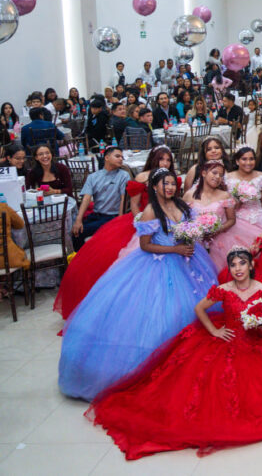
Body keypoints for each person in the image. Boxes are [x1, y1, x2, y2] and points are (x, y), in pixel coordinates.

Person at [88, 246, 262, 459]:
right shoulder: (224, 289)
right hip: (226, 341)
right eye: (233, 265)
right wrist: (214, 331)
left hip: (254, 342)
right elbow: (200, 308)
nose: (238, 269)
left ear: (251, 265)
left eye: (242, 263)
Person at [58, 169, 218, 401]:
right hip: (159, 262)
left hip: (189, 261)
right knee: (163, 314)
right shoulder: (151, 211)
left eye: (172, 184)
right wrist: (175, 249)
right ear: (154, 187)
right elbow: (145, 245)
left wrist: (192, 238)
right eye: (165, 184)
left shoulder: (182, 206)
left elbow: (191, 229)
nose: (170, 188)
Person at [54, 147, 176, 319]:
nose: (165, 163)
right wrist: (142, 223)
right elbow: (134, 205)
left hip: (166, 222)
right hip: (142, 221)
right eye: (161, 159)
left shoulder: (172, 178)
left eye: (168, 160)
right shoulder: (142, 177)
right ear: (153, 159)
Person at [70, 147, 131, 251]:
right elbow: (86, 199)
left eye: (122, 157)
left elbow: (123, 199)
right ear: (106, 158)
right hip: (96, 215)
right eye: (117, 156)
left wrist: (120, 221)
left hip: (112, 217)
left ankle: (84, 257)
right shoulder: (93, 177)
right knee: (75, 230)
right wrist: (78, 220)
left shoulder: (123, 175)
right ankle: (81, 256)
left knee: (81, 232)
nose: (121, 159)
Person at [183, 159, 238, 270]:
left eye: (221, 175)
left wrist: (217, 230)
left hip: (219, 240)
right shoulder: (189, 195)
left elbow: (232, 219)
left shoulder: (225, 196)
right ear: (204, 173)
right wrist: (194, 230)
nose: (218, 177)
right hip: (196, 241)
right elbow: (183, 220)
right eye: (214, 173)